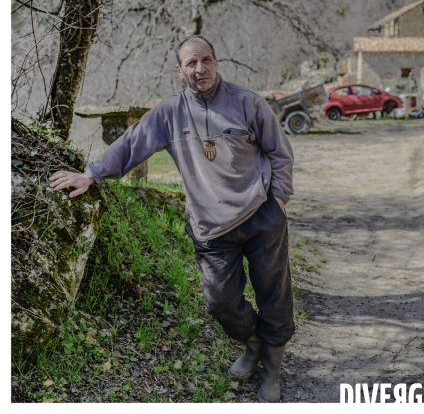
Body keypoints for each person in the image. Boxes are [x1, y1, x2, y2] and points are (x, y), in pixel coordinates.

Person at [49, 35, 295, 403]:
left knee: (273, 293)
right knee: (220, 303)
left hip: (262, 216)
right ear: (180, 71)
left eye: (206, 60)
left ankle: (272, 367)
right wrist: (92, 174)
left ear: (216, 61)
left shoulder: (248, 103)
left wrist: (278, 200)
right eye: (191, 64)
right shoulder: (169, 113)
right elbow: (132, 144)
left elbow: (280, 153)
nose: (201, 69)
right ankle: (253, 343)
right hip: (211, 229)